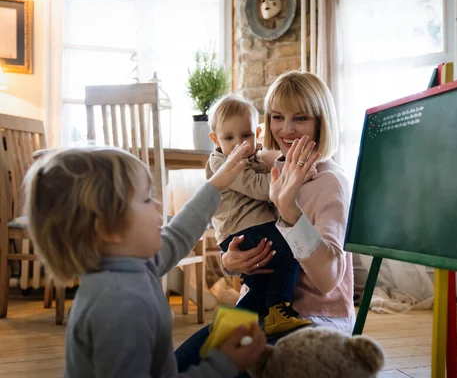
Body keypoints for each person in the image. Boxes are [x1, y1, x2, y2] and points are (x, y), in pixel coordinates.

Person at [23, 144, 267, 377]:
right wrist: (222, 365)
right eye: (146, 199)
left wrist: (216, 185)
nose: (158, 204)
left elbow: (178, 234)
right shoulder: (120, 305)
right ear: (109, 228)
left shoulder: (132, 266)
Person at [176, 71, 354, 375]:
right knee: (175, 367)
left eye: (300, 118)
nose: (286, 130)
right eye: (276, 117)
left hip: (314, 317)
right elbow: (234, 218)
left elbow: (327, 281)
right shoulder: (270, 164)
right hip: (257, 307)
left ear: (320, 122)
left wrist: (288, 210)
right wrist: (230, 262)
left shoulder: (329, 182)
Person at [205, 94, 312, 335]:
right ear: (215, 139)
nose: (239, 144)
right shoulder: (225, 163)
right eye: (229, 138)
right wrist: (294, 174)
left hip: (249, 230)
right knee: (290, 251)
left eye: (246, 135)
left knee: (260, 286)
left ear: (258, 133)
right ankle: (278, 308)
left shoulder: (254, 156)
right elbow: (259, 187)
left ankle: (229, 331)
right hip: (243, 232)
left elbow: (269, 160)